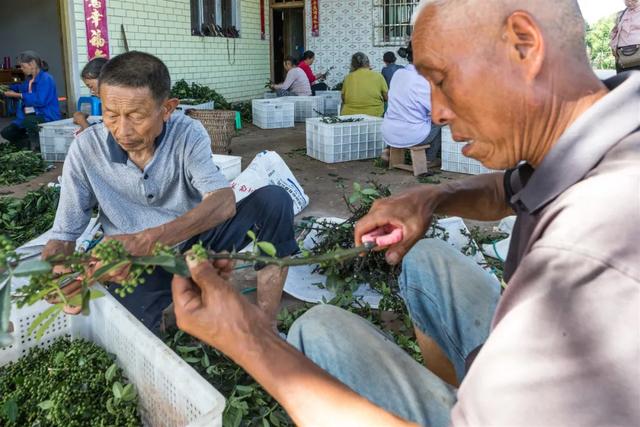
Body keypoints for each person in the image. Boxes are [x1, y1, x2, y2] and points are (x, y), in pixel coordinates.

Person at [169, 0, 640, 425]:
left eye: (440, 79)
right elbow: (505, 189)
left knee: (318, 330)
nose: (435, 112)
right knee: (425, 256)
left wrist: (251, 341)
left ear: (524, 44)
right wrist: (430, 198)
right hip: (545, 375)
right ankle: (466, 392)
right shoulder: (603, 128)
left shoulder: (590, 246)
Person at [43, 51, 297, 333]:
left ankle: (267, 325)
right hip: (132, 262)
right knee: (134, 333)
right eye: (110, 115)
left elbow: (223, 202)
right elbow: (64, 234)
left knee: (274, 200)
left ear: (167, 108)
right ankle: (176, 304)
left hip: (193, 241)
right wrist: (57, 270)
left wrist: (150, 239)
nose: (122, 130)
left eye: (136, 116)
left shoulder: (187, 133)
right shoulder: (86, 150)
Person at [382, 42, 441, 166]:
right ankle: (429, 159)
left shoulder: (398, 73)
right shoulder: (422, 79)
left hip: (389, 132)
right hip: (412, 136)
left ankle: (387, 149)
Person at [0, 51, 61, 150]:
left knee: (29, 122)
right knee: (7, 132)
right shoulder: (29, 80)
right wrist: (6, 88)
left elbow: (40, 100)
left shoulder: (46, 79)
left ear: (32, 64)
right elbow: (20, 87)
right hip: (29, 116)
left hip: (46, 116)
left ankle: (39, 147)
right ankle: (26, 146)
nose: (22, 69)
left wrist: (18, 95)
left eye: (23, 67)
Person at [341, 52, 388, 117]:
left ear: (353, 64)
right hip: (374, 115)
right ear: (368, 63)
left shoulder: (347, 77)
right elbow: (386, 97)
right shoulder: (378, 76)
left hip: (349, 115)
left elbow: (343, 98)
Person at [73, 57, 108, 130]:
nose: (92, 92)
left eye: (91, 87)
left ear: (104, 79)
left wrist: (82, 122)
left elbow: (99, 139)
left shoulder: (117, 104)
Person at [610, 0, 640, 73]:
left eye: (634, 1)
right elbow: (615, 32)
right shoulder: (621, 14)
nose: (630, 3)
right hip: (622, 57)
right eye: (627, 0)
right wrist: (613, 47)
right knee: (623, 82)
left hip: (638, 57)